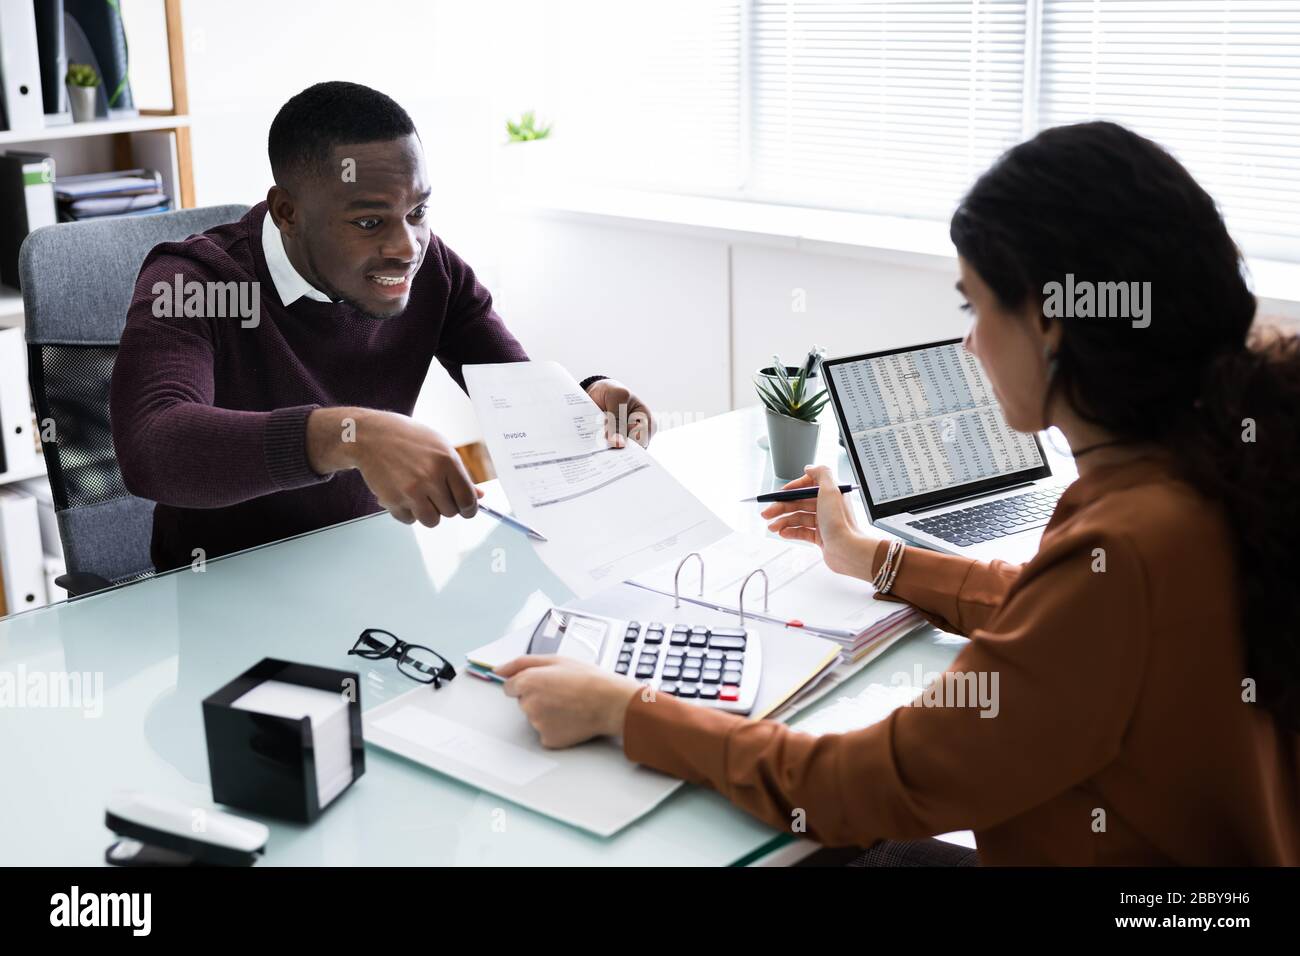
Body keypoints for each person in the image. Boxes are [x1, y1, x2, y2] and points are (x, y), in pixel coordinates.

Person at [493, 121, 1300, 865]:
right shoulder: (1215, 458)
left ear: (1051, 326)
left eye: (974, 305)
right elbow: (1061, 621)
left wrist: (626, 712)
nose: (968, 340)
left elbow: (857, 787)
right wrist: (879, 560)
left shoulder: (1130, 541)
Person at [111, 82, 652, 572]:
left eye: (417, 212)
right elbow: (152, 447)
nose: (405, 248)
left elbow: (514, 390)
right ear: (287, 212)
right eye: (369, 222)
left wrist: (584, 405)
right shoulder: (195, 280)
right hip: (224, 586)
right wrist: (349, 435)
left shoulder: (430, 267)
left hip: (372, 563)